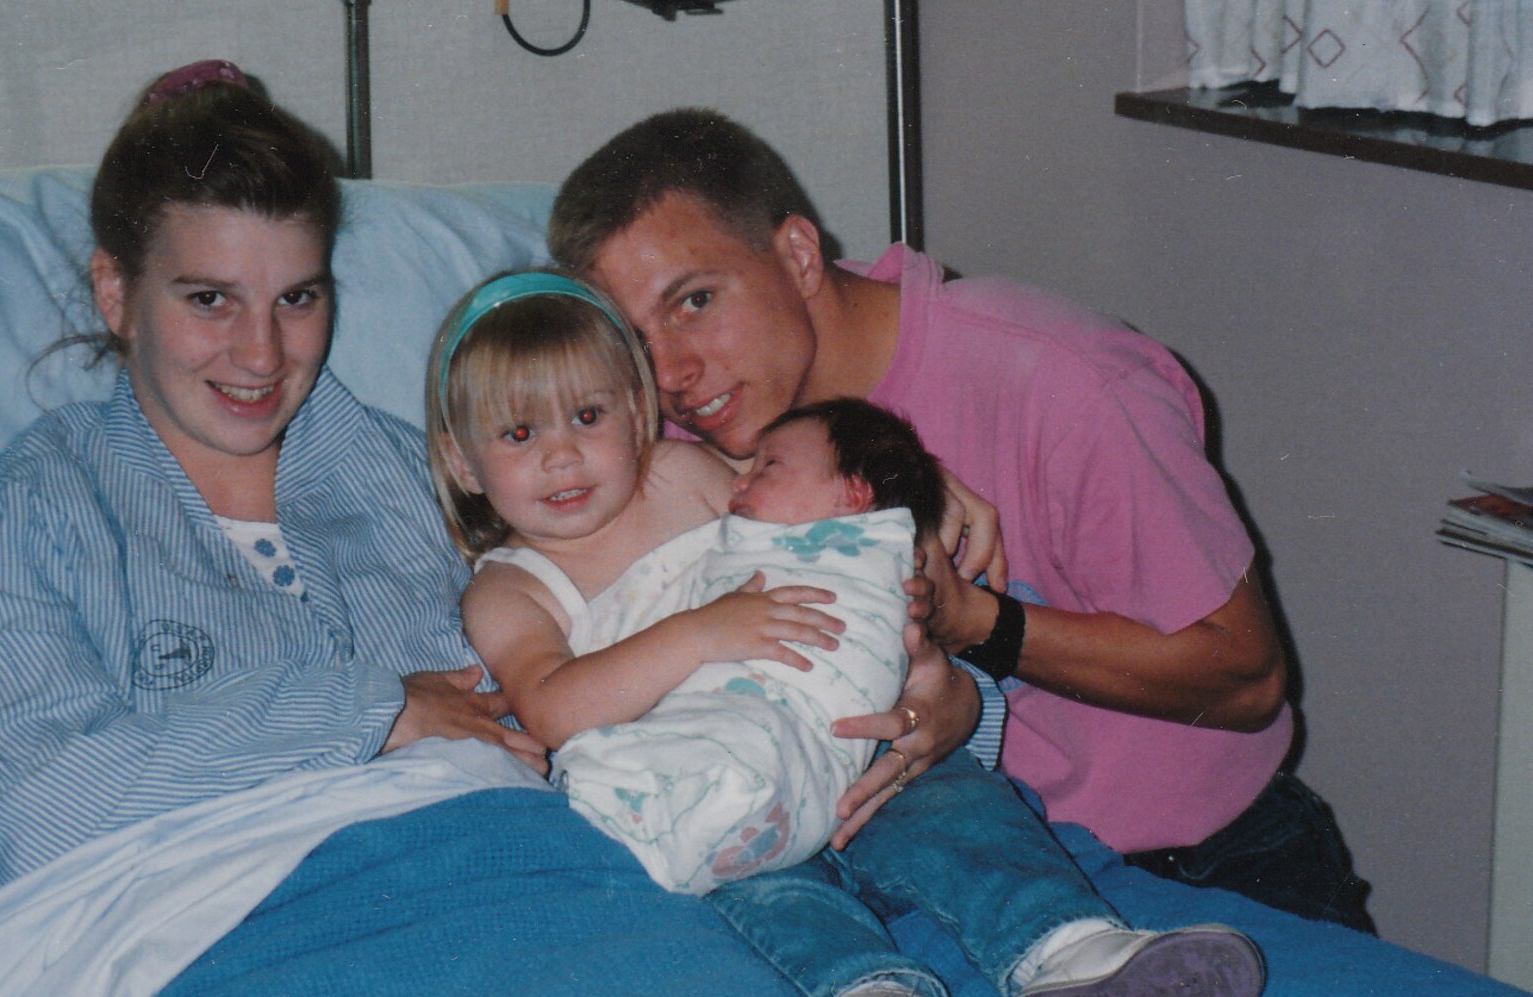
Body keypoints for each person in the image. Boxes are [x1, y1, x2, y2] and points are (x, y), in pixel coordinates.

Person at [430, 273, 1266, 997]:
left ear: (639, 415)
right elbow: (553, 707)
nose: (562, 455)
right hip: (716, 796)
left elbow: (827, 508)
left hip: (844, 738)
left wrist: (926, 560)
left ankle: (1074, 949)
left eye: (589, 417)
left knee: (959, 803)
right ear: (464, 460)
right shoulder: (509, 588)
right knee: (765, 893)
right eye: (518, 432)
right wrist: (702, 630)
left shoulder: (686, 475)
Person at [547, 108, 1375, 933]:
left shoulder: (1068, 386)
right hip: (945, 862)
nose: (672, 377)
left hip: (1199, 860)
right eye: (632, 339)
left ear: (797, 255)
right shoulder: (694, 434)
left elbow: (1248, 679)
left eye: (694, 301)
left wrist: (979, 623)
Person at [0, 60, 542, 897]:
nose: (262, 354)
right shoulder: (17, 521)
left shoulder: (436, 477)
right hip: (237, 962)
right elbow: (33, 821)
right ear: (116, 292)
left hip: (524, 892)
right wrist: (363, 713)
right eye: (210, 300)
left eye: (297, 298)